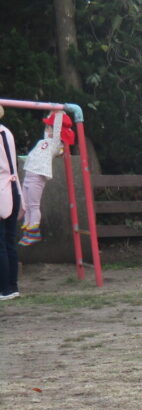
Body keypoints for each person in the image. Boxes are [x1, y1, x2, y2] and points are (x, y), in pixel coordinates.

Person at [18, 110, 74, 246]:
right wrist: (50, 115)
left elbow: (56, 129)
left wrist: (59, 114)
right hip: (29, 174)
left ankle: (34, 233)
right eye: (47, 128)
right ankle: (27, 232)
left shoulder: (55, 144)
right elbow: (48, 128)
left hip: (37, 176)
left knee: (33, 205)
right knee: (25, 205)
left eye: (50, 128)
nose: (47, 129)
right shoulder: (43, 141)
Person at [0, 105, 22, 300]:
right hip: (14, 188)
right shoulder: (7, 131)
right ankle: (12, 286)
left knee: (1, 242)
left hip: (2, 189)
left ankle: (5, 289)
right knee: (9, 240)